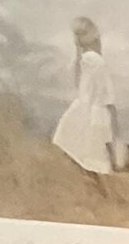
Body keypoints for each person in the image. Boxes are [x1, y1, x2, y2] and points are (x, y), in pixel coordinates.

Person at [51, 16, 121, 177]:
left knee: (78, 157)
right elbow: (107, 95)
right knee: (95, 164)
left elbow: (79, 86)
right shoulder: (96, 61)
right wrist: (115, 124)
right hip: (96, 114)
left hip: (83, 110)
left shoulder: (83, 60)